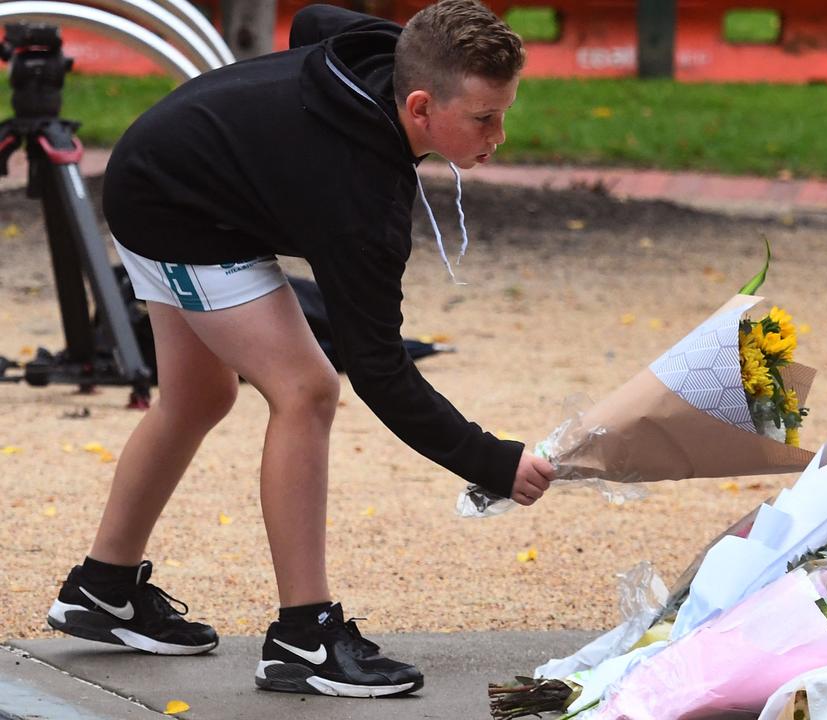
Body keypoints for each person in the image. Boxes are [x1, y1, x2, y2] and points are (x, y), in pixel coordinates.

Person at [45, 0, 555, 698]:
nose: (501, 134)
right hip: (177, 207)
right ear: (417, 104)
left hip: (161, 163)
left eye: (504, 111)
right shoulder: (361, 199)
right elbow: (379, 368)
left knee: (198, 396)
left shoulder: (384, 48)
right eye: (483, 118)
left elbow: (314, 20)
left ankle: (102, 588)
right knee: (308, 390)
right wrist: (492, 460)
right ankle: (303, 638)